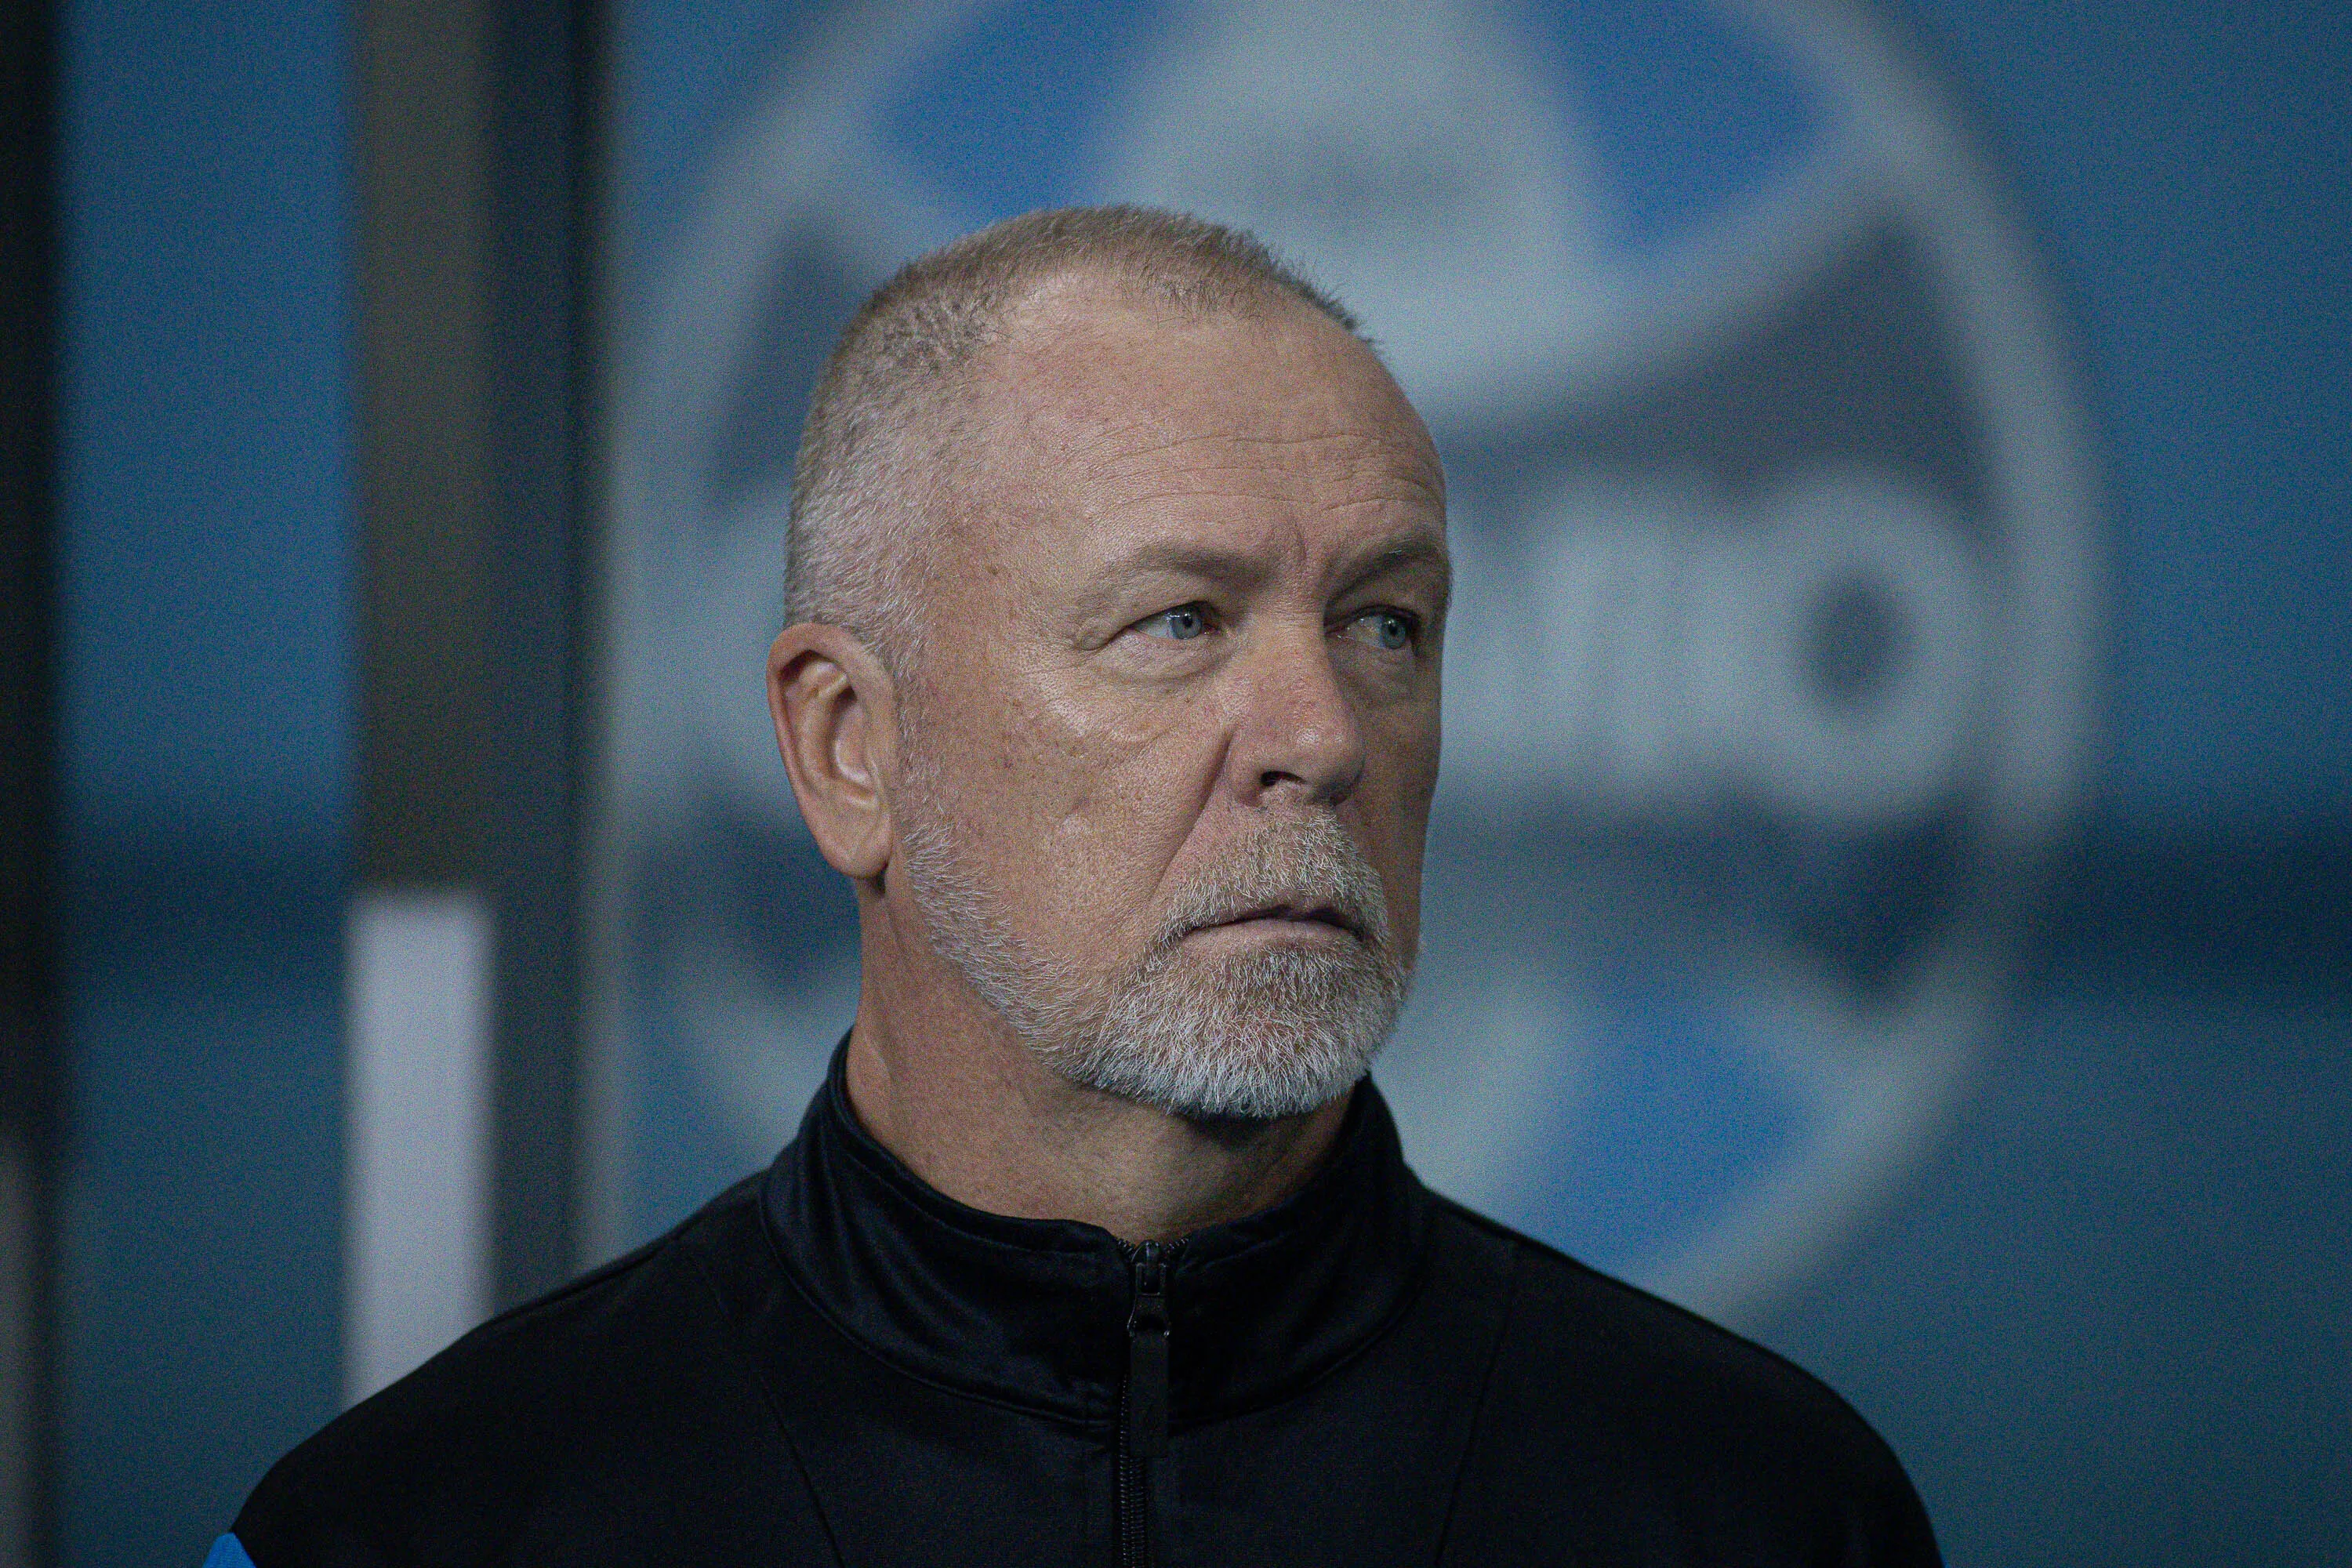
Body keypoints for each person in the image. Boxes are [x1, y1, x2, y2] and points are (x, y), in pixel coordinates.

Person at [218, 205, 1941, 1566]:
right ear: (847, 748)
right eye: (1178, 621)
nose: (1323, 733)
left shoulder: (1771, 1515)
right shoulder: (417, 1529)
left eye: (1384, 622)